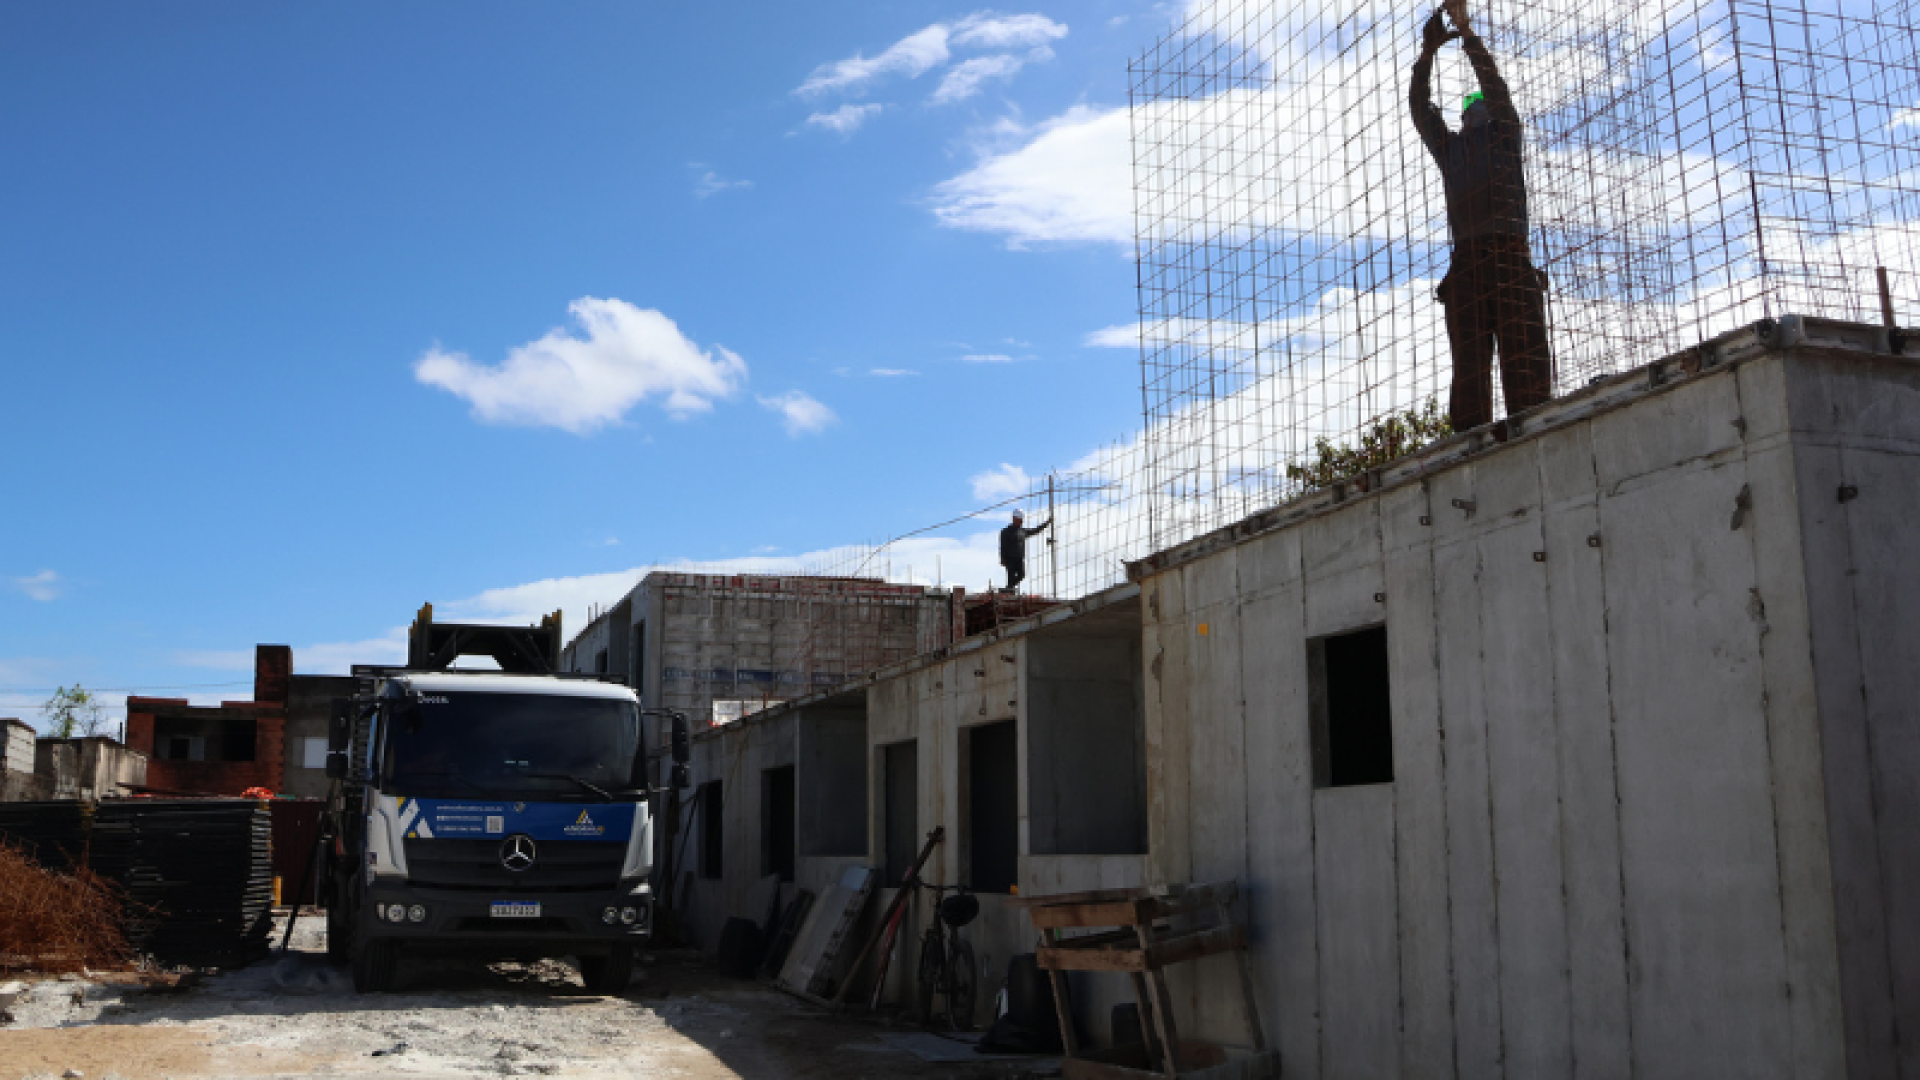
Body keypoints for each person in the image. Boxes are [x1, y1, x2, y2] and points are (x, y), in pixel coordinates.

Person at [1410, 0, 1553, 431]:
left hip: (1509, 258)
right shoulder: (1452, 149)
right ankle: (1471, 445)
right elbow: (1420, 109)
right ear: (1462, 119)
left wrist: (1467, 32)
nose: (1477, 107)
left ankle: (1531, 433)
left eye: (1481, 103)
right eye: (1470, 105)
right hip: (1471, 265)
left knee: (1525, 367)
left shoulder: (1505, 136)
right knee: (1470, 375)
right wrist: (1427, 56)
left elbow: (1494, 87)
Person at [998, 510, 1051, 594]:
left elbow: (1035, 530)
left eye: (1022, 520)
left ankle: (1008, 588)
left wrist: (1046, 524)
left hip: (1019, 558)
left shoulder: (1022, 531)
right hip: (1010, 558)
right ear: (1014, 519)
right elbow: (1002, 546)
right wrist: (1002, 558)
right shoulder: (1006, 532)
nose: (1021, 522)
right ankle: (1009, 589)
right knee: (1011, 576)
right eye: (1020, 520)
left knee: (1021, 575)